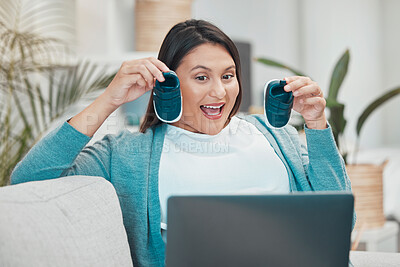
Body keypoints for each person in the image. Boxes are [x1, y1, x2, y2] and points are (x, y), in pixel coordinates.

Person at [11, 19, 353, 267]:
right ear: (168, 84)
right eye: (201, 77)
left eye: (228, 75)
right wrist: (109, 100)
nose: (219, 92)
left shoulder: (276, 135)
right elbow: (28, 180)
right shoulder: (128, 153)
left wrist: (317, 125)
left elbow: (340, 222)